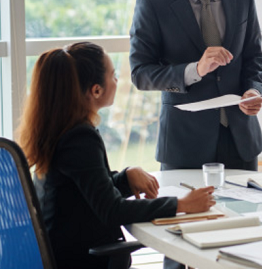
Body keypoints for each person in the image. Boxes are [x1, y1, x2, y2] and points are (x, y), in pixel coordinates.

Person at [17, 42, 215, 269]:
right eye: (113, 75)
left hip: (61, 252)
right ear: (96, 90)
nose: (117, 81)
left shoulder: (60, 128)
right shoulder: (80, 138)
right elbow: (112, 210)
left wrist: (126, 177)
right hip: (81, 260)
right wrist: (181, 204)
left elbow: (89, 190)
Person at [129, 0, 262, 172]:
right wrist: (196, 70)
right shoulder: (152, 3)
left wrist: (254, 90)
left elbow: (254, 56)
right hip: (184, 144)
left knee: (245, 212)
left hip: (241, 141)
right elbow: (140, 74)